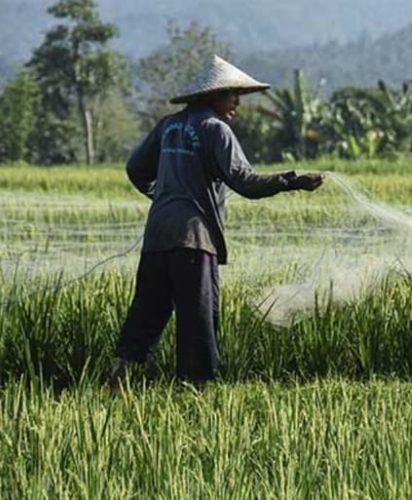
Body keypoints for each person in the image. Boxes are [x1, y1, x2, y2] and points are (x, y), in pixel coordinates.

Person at [110, 55, 324, 390]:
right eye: (232, 95)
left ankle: (120, 374)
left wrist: (165, 196)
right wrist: (294, 180)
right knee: (198, 315)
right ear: (213, 96)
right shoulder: (215, 130)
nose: (237, 102)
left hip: (157, 234)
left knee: (148, 308)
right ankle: (194, 389)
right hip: (195, 238)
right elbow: (245, 183)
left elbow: (136, 169)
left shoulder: (169, 126)